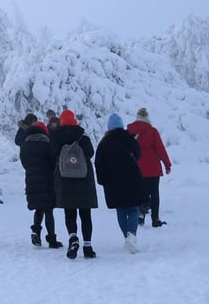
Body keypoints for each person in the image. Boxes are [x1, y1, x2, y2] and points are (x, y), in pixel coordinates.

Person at [51, 109, 99, 259]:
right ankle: (88, 246)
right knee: (86, 214)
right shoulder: (82, 136)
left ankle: (73, 237)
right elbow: (90, 153)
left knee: (69, 213)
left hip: (66, 181)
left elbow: (53, 156)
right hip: (84, 180)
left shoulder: (56, 137)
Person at [95, 113, 144, 254]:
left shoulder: (104, 143)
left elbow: (98, 164)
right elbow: (138, 154)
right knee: (133, 209)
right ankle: (132, 236)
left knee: (121, 210)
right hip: (131, 179)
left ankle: (126, 237)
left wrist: (101, 180)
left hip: (113, 182)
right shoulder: (129, 139)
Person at [19, 121, 63, 248]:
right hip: (47, 179)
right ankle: (52, 239)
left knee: (38, 208)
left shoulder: (25, 145)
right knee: (49, 210)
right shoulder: (46, 144)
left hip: (31, 180)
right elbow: (53, 161)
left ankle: (36, 231)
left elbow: (24, 163)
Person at [127, 107, 172, 227]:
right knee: (154, 193)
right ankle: (155, 219)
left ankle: (141, 214)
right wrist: (167, 164)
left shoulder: (130, 132)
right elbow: (161, 149)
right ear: (147, 118)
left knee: (141, 192)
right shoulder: (153, 131)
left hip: (137, 168)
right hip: (153, 168)